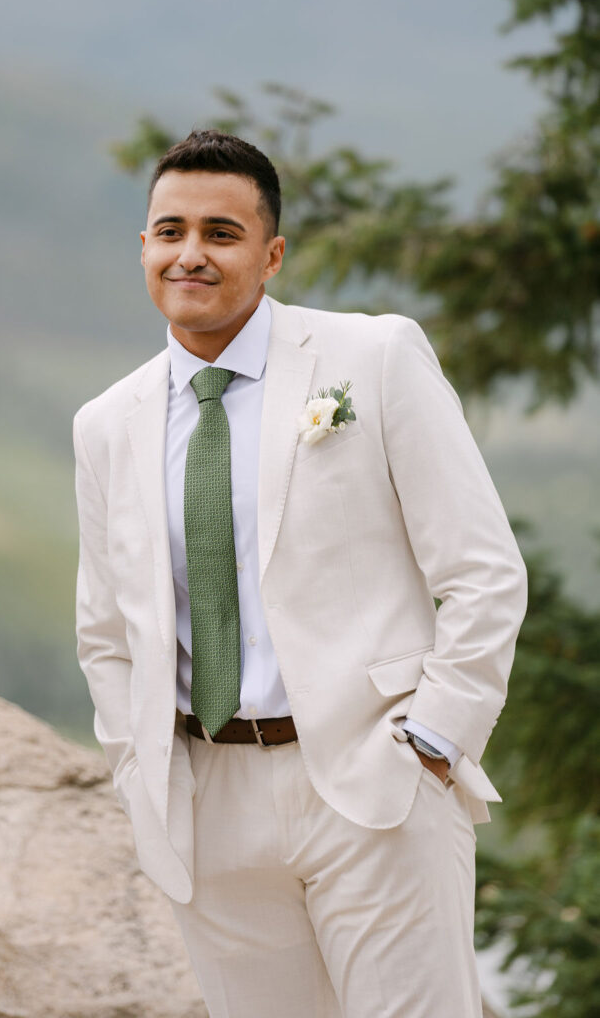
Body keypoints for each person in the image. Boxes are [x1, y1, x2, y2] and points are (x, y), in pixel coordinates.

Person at [73, 129, 527, 1018]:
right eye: (170, 231)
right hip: (207, 805)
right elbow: (106, 634)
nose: (190, 254)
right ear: (144, 248)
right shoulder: (106, 423)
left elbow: (481, 571)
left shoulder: (373, 358)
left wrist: (432, 739)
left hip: (375, 782)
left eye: (221, 232)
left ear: (271, 253)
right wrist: (142, 778)